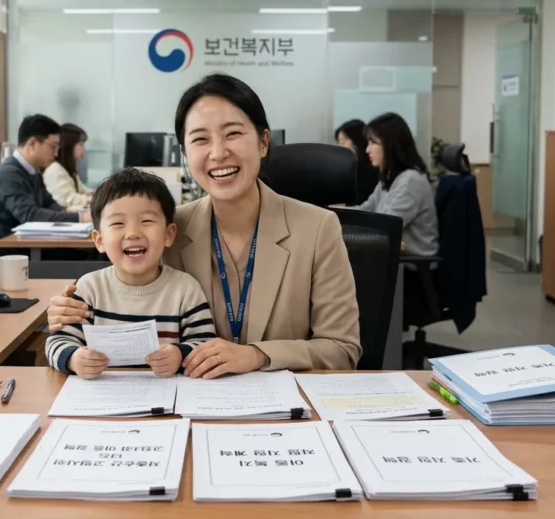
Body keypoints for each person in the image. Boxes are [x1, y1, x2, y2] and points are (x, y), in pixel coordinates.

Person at [47, 73, 361, 379]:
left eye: (233, 134)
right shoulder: (165, 230)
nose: (218, 152)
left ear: (264, 142)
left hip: (284, 410)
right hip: (186, 407)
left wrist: (257, 355)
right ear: (184, 153)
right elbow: (118, 297)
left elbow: (342, 349)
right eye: (200, 139)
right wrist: (69, 313)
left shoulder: (318, 228)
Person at [44, 168, 216, 379]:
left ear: (169, 234)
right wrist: (73, 358)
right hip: (101, 400)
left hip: (166, 399)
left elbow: (205, 343)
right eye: (118, 223)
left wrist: (180, 354)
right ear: (99, 240)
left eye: (146, 221)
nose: (133, 233)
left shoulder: (186, 289)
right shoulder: (89, 289)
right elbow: (56, 342)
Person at [0, 114, 90, 249]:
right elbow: (30, 215)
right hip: (7, 252)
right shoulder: (9, 174)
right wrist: (80, 218)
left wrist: (73, 214)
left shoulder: (32, 172)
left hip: (29, 245)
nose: (55, 154)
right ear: (32, 144)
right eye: (53, 147)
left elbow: (50, 205)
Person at [356, 112, 439, 256]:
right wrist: (335, 215)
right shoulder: (390, 176)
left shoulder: (410, 180)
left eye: (373, 143)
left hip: (410, 267)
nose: (367, 150)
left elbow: (386, 227)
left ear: (391, 145)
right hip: (392, 258)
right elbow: (367, 208)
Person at [43, 123, 93, 208]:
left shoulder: (67, 170)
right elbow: (69, 200)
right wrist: (92, 199)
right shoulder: (55, 170)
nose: (83, 149)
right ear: (69, 145)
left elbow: (83, 191)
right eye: (80, 144)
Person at [335, 119, 379, 206]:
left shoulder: (372, 171)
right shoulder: (345, 171)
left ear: (358, 142)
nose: (338, 147)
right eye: (338, 142)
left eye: (343, 142)